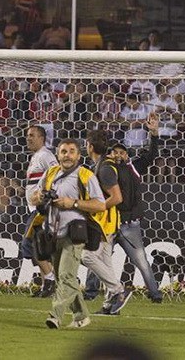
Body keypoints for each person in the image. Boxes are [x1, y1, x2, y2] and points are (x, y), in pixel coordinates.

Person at [29, 138, 106, 330]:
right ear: (58, 155)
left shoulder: (85, 175)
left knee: (65, 275)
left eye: (72, 151)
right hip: (52, 232)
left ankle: (55, 315)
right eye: (64, 151)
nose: (67, 155)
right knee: (65, 277)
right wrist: (39, 197)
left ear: (79, 156)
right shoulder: (50, 173)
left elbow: (100, 204)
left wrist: (74, 203)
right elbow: (33, 197)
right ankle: (81, 316)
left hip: (75, 233)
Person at [106, 112, 163, 302]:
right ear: (110, 154)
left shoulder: (134, 167)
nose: (119, 154)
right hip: (109, 223)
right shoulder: (104, 169)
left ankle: (155, 294)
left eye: (122, 152)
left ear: (127, 155)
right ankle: (90, 292)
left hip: (130, 224)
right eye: (115, 152)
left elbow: (152, 154)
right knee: (98, 259)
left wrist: (153, 133)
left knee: (142, 262)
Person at [81, 130, 133, 316]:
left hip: (104, 222)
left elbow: (116, 197)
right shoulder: (102, 165)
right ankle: (109, 306)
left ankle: (119, 291)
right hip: (105, 222)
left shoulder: (104, 168)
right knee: (105, 263)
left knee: (86, 256)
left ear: (91, 146)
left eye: (86, 144)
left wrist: (96, 208)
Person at [21, 125, 58, 298]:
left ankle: (51, 279)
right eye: (27, 135)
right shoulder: (37, 157)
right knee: (41, 248)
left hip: (41, 209)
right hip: (34, 208)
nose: (28, 138)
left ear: (42, 138)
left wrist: (46, 198)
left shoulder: (45, 155)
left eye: (32, 135)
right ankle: (47, 287)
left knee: (29, 244)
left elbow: (56, 174)